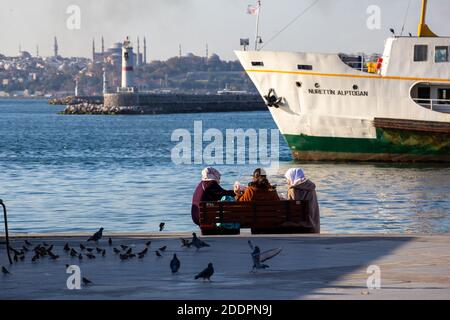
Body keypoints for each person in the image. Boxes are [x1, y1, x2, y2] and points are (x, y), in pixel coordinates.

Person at [285, 168, 320, 233]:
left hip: (301, 224)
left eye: (287, 178)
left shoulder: (293, 189)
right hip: (313, 223)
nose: (287, 181)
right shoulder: (311, 187)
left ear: (292, 177)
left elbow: (292, 206)